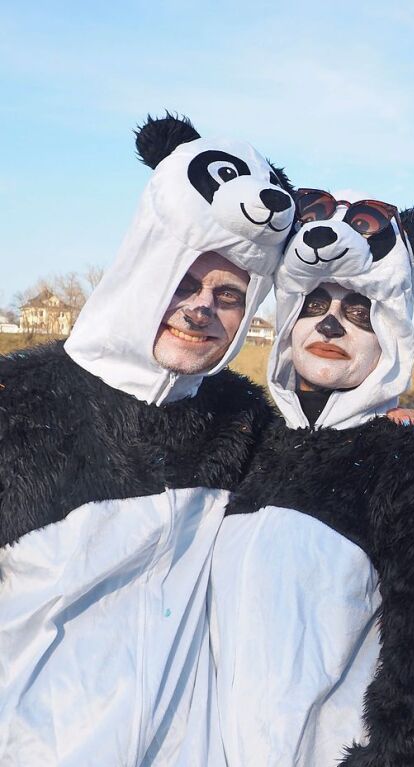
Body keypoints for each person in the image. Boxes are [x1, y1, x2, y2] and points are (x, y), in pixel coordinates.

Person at [0, 114, 293, 764]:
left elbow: (338, 488)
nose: (200, 309)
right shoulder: (15, 403)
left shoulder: (242, 419)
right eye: (184, 283)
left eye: (227, 295)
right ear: (142, 271)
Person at [212, 189, 414, 765]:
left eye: (358, 312)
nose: (332, 326)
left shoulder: (413, 470)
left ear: (388, 336)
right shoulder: (246, 449)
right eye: (314, 307)